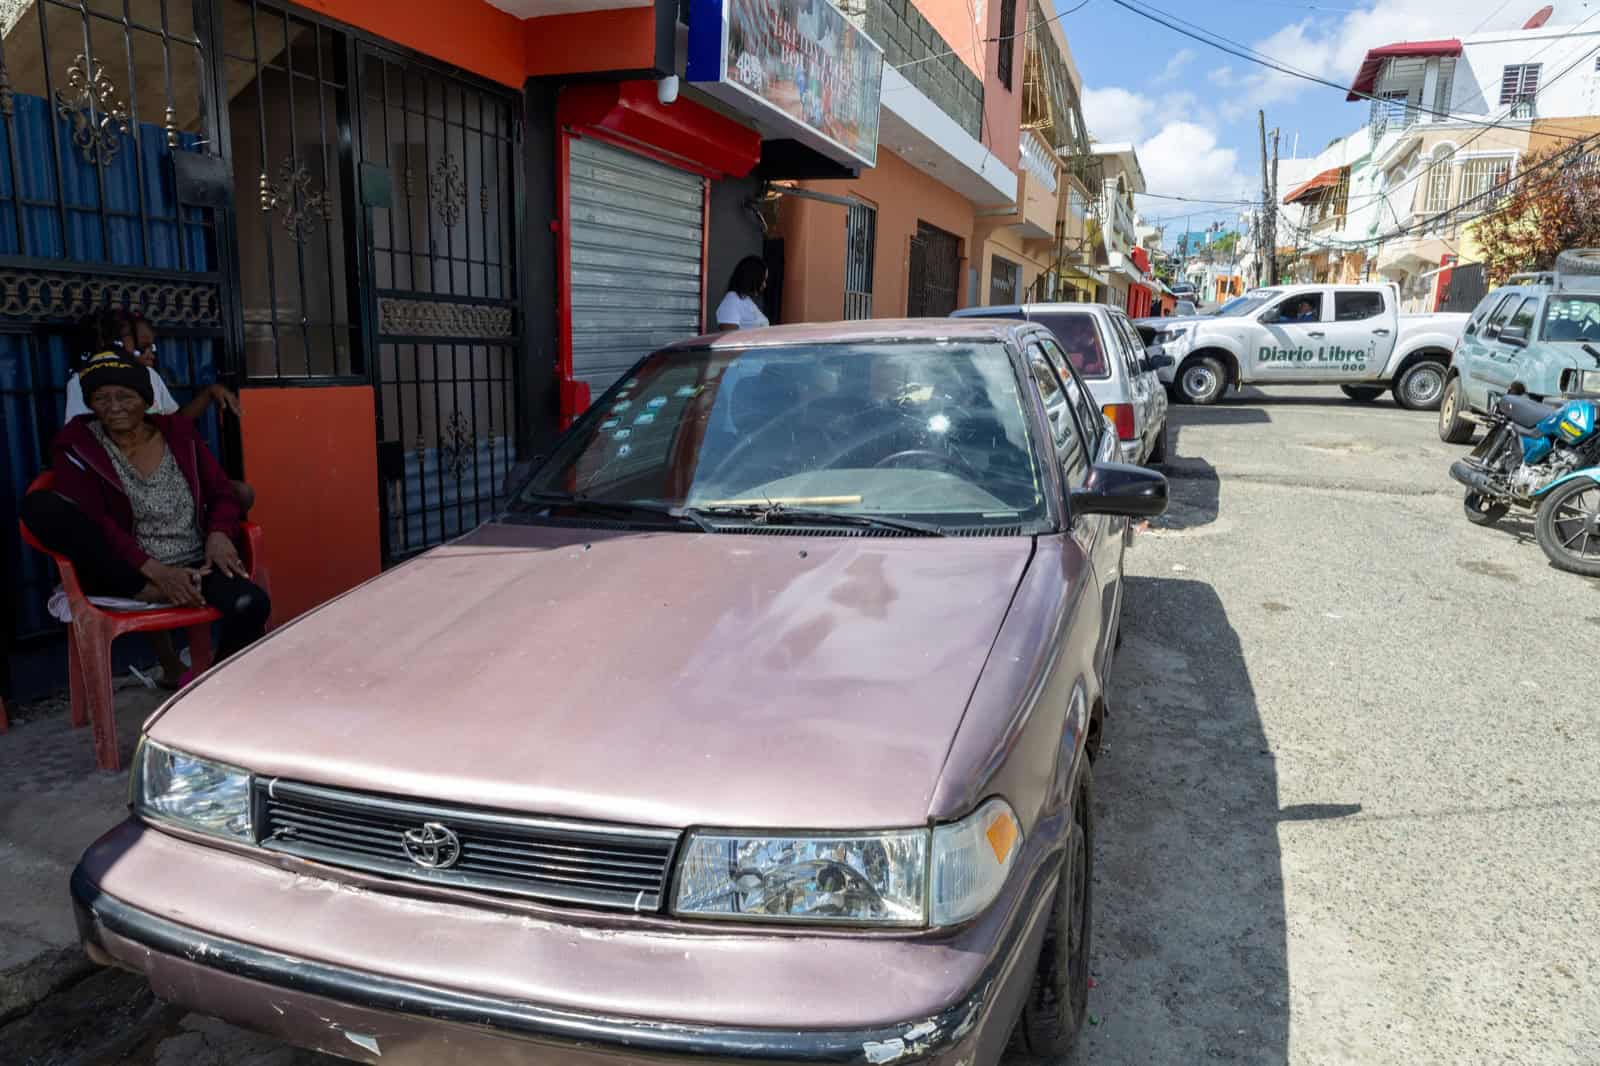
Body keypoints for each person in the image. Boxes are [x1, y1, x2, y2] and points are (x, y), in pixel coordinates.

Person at [22, 350, 270, 679]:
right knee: (39, 506)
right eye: (101, 398)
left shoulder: (179, 433)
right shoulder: (77, 445)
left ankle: (206, 690)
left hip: (196, 563)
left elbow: (221, 491)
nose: (113, 407)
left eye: (124, 396)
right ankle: (145, 590)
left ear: (146, 399)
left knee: (250, 604)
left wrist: (220, 534)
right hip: (126, 569)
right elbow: (97, 520)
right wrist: (156, 573)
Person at [65, 309, 254, 512]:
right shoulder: (84, 382)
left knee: (240, 494)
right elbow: (84, 443)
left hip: (168, 473)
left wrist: (209, 393)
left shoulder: (150, 376)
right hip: (127, 481)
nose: (150, 352)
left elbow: (176, 422)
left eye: (151, 346)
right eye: (142, 346)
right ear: (115, 342)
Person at [716, 256, 771, 331]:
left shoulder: (745, 300)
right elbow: (730, 339)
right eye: (763, 280)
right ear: (752, 277)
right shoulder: (731, 302)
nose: (764, 285)